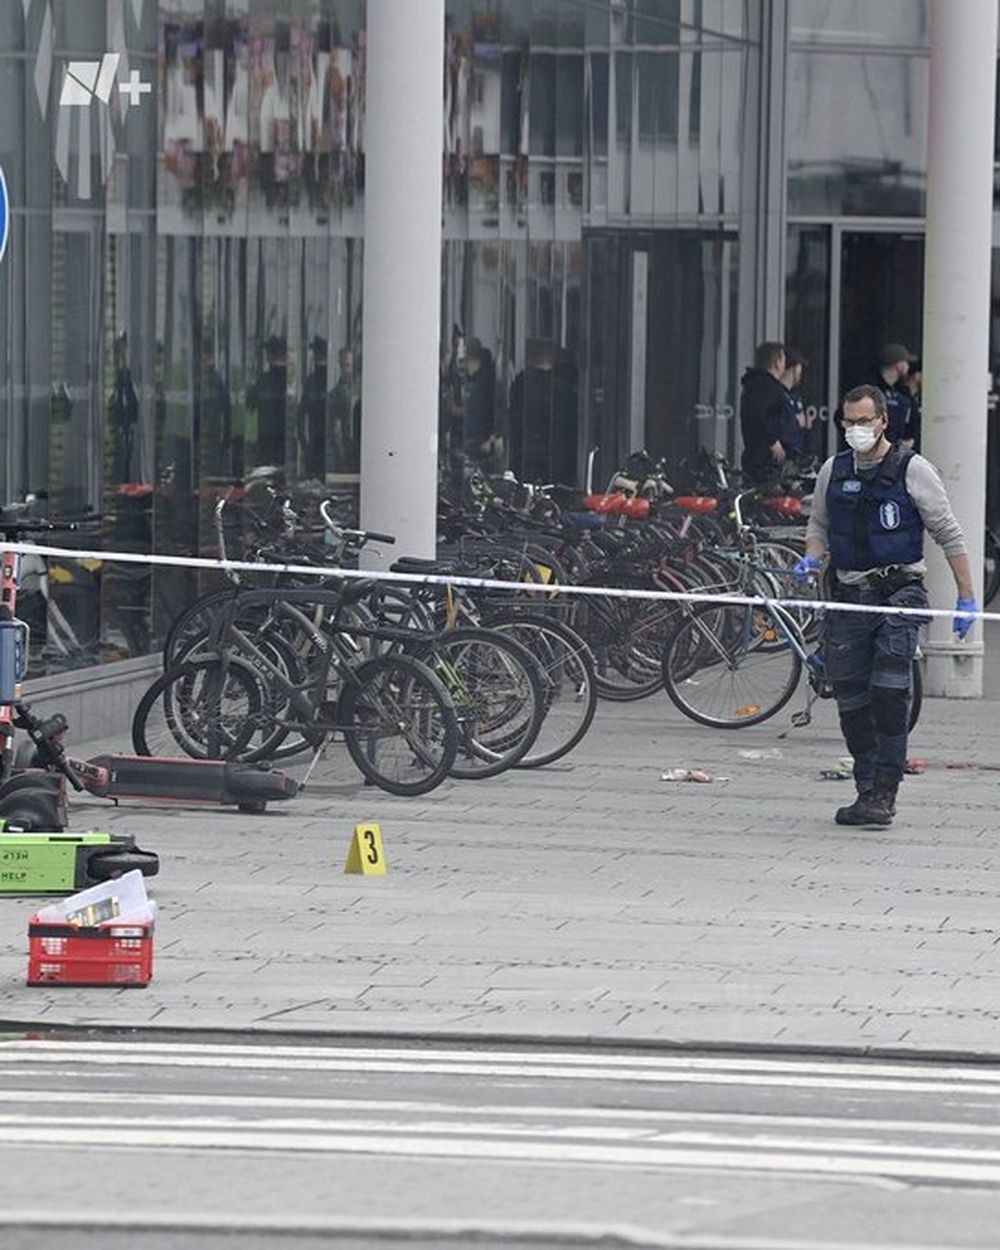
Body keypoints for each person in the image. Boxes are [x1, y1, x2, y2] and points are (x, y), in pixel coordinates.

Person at [794, 383, 978, 827]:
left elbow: (949, 534)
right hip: (849, 597)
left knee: (890, 690)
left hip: (899, 592)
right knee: (852, 701)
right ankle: (865, 790)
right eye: (849, 422)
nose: (856, 429)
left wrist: (967, 596)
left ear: (883, 422)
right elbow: (818, 524)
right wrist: (812, 556)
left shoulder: (913, 470)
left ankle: (885, 792)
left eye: (864, 421)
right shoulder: (832, 472)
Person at [739, 341, 788, 484]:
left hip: (756, 455)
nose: (785, 365)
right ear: (777, 363)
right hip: (764, 459)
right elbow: (756, 414)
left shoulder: (754, 384)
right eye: (784, 360)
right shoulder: (766, 386)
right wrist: (772, 441)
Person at [247, 335, 288, 469]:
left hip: (266, 447)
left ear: (270, 356)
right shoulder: (291, 382)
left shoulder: (263, 381)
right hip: (285, 447)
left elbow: (249, 407)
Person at [873, 343, 921, 449]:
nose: (908, 367)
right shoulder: (872, 390)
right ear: (898, 365)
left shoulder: (902, 394)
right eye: (906, 363)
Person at [298, 335, 329, 479]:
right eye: (317, 355)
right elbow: (301, 415)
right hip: (314, 441)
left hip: (325, 443)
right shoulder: (311, 382)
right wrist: (305, 445)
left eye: (321, 355)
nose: (318, 359)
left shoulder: (327, 380)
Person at [329, 346, 360, 474]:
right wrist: (342, 458)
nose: (347, 370)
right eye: (344, 366)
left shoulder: (361, 393)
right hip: (346, 456)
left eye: (349, 366)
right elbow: (336, 430)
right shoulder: (336, 394)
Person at [778, 348, 812, 462]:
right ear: (793, 368)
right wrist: (795, 420)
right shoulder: (777, 394)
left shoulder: (796, 396)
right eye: (800, 367)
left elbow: (804, 423)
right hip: (783, 457)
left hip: (797, 455)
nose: (801, 372)